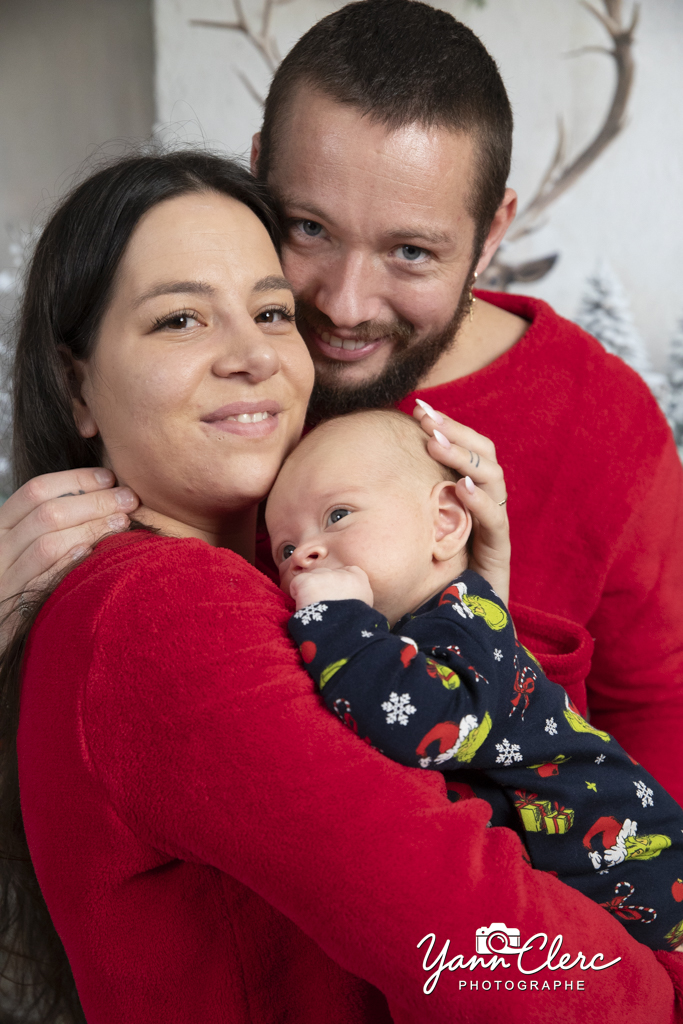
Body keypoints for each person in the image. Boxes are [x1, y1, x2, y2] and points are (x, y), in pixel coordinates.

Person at [8, 150, 681, 1024]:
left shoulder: (277, 590)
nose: (252, 355)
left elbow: (514, 818)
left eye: (271, 311)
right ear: (76, 386)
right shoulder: (167, 610)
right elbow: (493, 955)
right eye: (180, 319)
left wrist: (475, 619)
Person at [1, 0, 681, 805]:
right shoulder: (200, 395)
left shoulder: (602, 423)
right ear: (258, 171)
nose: (344, 305)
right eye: (309, 229)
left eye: (410, 251)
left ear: (491, 232)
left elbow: (658, 711)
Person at [265, 408, 683, 952]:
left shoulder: (463, 620)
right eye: (285, 549)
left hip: (643, 871)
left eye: (337, 515)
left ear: (444, 521)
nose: (305, 555)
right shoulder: (416, 631)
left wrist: (337, 619)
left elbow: (426, 726)